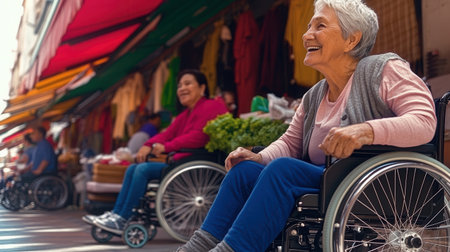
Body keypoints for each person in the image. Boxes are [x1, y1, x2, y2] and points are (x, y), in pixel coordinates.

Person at [177, 0, 437, 251]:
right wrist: (259, 156)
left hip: (377, 184)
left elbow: (425, 121)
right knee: (245, 171)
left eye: (320, 26)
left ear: (351, 39)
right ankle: (196, 248)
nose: (306, 35)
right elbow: (290, 143)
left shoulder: (384, 70)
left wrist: (365, 130)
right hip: (329, 181)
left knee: (284, 171)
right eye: (309, 27)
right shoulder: (314, 95)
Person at [82, 69, 228, 234]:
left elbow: (200, 136)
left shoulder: (212, 105)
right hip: (180, 163)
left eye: (187, 83)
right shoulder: (185, 114)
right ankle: (117, 215)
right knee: (132, 168)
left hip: (195, 163)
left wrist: (167, 147)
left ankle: (123, 218)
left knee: (142, 170)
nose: (181, 88)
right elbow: (167, 133)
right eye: (179, 85)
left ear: (202, 88)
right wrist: (148, 144)